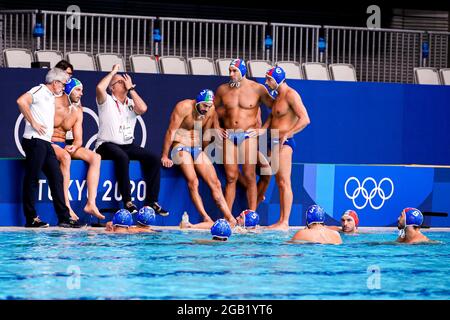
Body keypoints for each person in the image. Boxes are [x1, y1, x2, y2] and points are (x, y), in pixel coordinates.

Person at [95, 64, 168, 216]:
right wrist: (113, 72)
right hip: (106, 145)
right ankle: (127, 201)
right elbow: (99, 88)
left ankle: (151, 202)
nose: (124, 83)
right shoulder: (106, 101)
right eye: (120, 82)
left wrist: (132, 89)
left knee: (153, 159)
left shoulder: (130, 103)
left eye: (125, 81)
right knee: (122, 157)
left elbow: (143, 109)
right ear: (112, 88)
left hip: (127, 145)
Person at [16, 68, 83, 228]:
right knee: (32, 178)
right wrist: (33, 122)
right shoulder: (39, 90)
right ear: (55, 83)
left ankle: (64, 218)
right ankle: (31, 218)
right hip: (34, 140)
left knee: (56, 177)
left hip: (45, 142)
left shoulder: (52, 96)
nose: (64, 87)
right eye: (62, 84)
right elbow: (21, 101)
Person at [161, 89, 236, 226]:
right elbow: (171, 131)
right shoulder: (183, 107)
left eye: (209, 106)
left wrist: (213, 135)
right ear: (197, 102)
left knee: (216, 183)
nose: (206, 109)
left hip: (196, 148)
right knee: (193, 181)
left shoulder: (210, 110)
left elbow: (206, 132)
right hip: (180, 146)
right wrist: (165, 155)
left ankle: (230, 218)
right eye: (204, 106)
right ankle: (206, 217)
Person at [213, 58, 274, 213]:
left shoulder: (258, 89)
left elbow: (277, 109)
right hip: (229, 136)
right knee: (231, 178)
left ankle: (251, 215)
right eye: (230, 71)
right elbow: (212, 108)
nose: (231, 74)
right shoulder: (222, 90)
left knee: (249, 175)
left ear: (243, 71)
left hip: (248, 136)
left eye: (235, 71)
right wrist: (216, 126)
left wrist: (263, 129)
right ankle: (227, 217)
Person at [262, 66, 310, 231]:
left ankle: (285, 222)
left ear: (277, 78)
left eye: (269, 79)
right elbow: (273, 117)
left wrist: (288, 134)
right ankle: (280, 220)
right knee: (278, 181)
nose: (267, 83)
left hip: (284, 143)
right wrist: (262, 130)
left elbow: (305, 119)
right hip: (272, 141)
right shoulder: (277, 96)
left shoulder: (291, 94)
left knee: (284, 182)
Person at [51, 77, 104, 221]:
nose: (81, 93)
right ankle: (66, 205)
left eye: (82, 91)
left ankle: (91, 203)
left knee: (96, 157)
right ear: (68, 89)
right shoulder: (53, 104)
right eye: (78, 90)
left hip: (64, 144)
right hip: (49, 143)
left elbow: (79, 138)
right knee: (65, 157)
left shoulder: (77, 111)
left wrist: (75, 145)